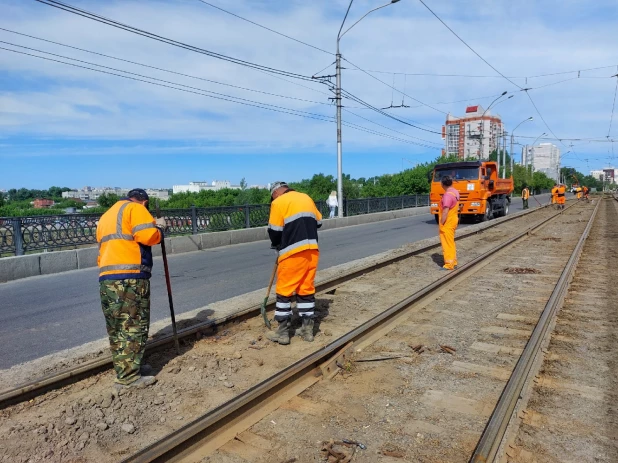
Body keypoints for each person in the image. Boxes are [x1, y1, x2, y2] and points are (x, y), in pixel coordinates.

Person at [96, 188, 166, 388]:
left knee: (118, 327)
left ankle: (130, 366)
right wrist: (160, 229)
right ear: (144, 202)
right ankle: (128, 377)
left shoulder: (107, 215)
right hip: (130, 277)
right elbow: (148, 236)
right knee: (134, 325)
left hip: (107, 278)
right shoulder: (135, 208)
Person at [266, 181, 322, 345]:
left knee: (284, 291)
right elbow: (318, 222)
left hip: (292, 253)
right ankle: (307, 331)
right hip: (312, 251)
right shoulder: (306, 198)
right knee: (305, 290)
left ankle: (283, 333)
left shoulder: (278, 202)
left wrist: (277, 245)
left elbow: (275, 231)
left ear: (275, 193)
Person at [438, 176, 460, 271]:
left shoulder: (447, 195)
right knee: (451, 242)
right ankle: (453, 262)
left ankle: (449, 264)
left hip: (448, 221)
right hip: (454, 219)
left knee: (446, 243)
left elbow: (445, 211)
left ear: (443, 184)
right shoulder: (455, 192)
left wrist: (441, 223)